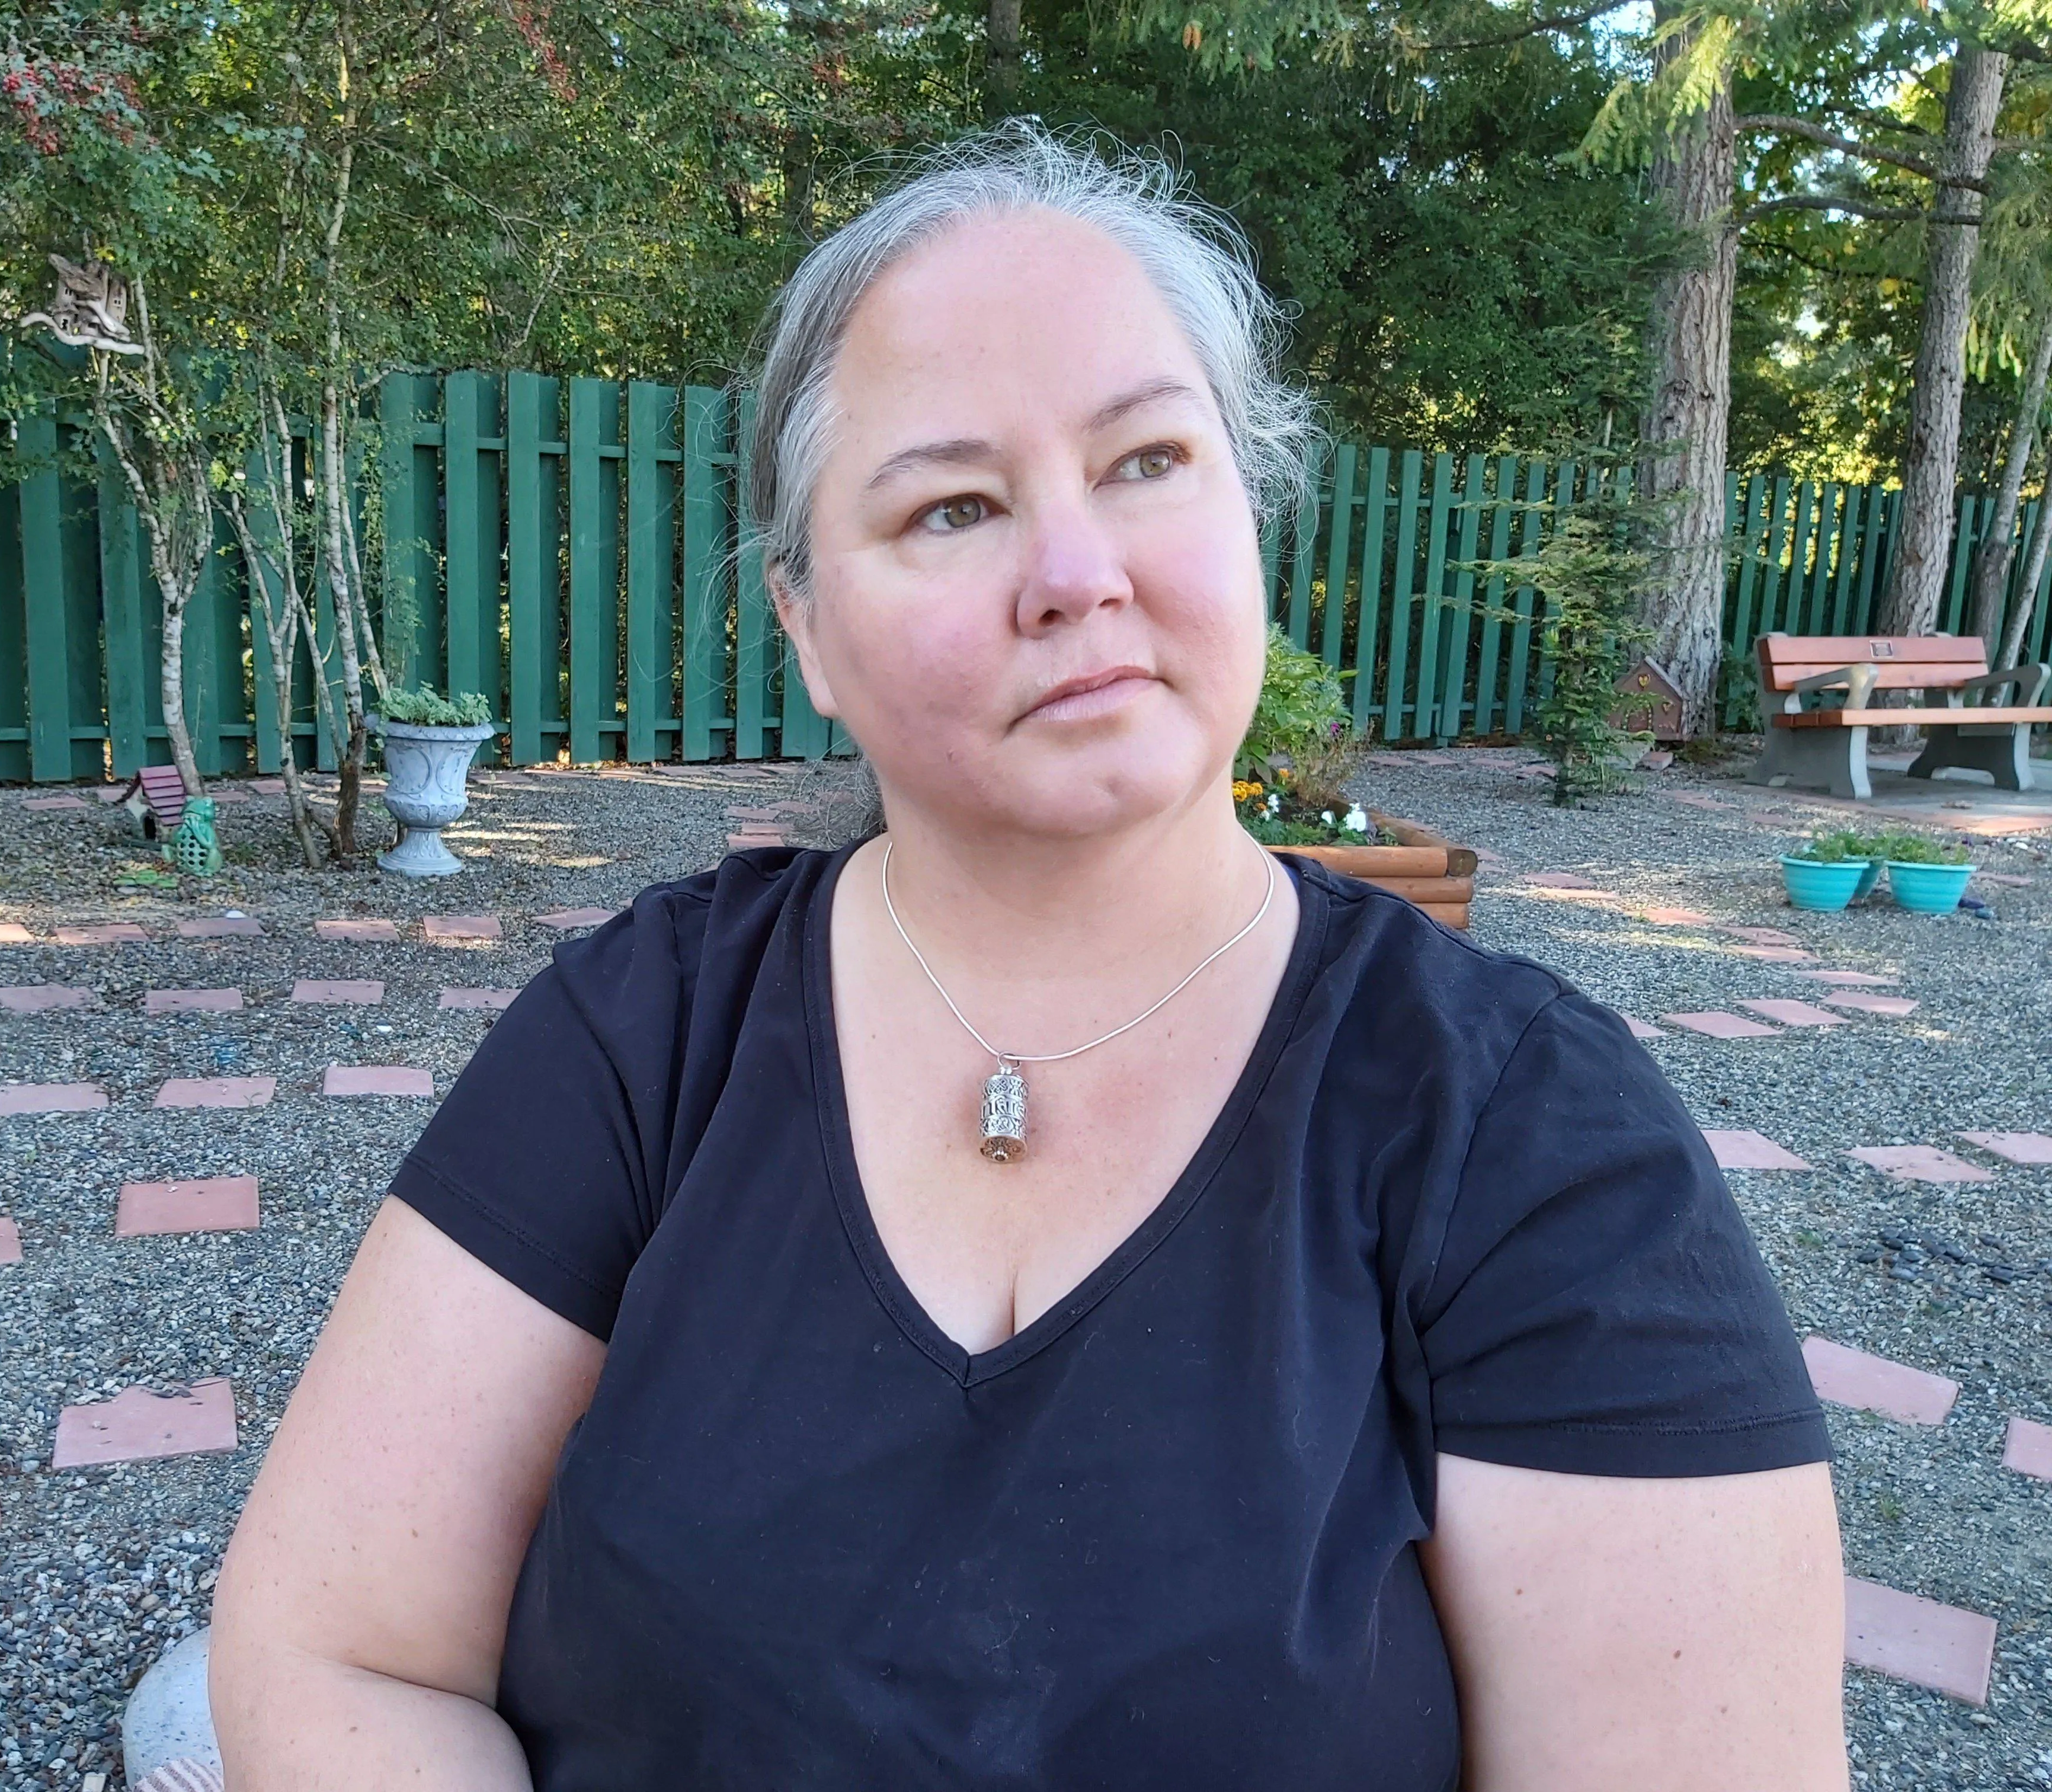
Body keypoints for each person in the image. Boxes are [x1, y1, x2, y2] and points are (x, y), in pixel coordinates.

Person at [209, 124, 1848, 1791]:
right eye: (956, 505)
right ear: (807, 630)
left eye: (1147, 462)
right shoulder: (641, 1038)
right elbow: (341, 1652)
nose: (1078, 572)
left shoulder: (1536, 1141)